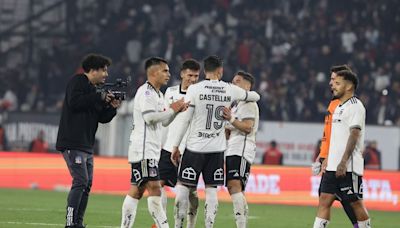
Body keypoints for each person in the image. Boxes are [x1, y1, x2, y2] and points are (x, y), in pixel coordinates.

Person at [170, 55, 260, 228]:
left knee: (183, 187)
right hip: (217, 149)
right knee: (211, 190)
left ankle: (178, 225)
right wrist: (247, 94)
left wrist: (176, 146)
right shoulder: (229, 90)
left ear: (204, 71)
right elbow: (256, 96)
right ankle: (209, 225)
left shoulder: (195, 89)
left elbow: (185, 120)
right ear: (221, 71)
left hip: (195, 147)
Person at [120, 57, 187, 228]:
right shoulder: (147, 92)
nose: (168, 74)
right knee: (155, 188)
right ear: (153, 72)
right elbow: (150, 118)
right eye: (165, 70)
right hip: (144, 149)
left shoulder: (158, 94)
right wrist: (173, 108)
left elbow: (163, 121)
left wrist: (176, 112)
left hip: (149, 149)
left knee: (137, 191)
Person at [56, 54, 121, 228]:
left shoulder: (94, 90)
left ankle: (78, 222)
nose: (106, 74)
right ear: (93, 70)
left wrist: (111, 108)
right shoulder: (77, 81)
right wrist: (99, 98)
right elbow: (75, 102)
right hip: (72, 142)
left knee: (87, 184)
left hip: (86, 145)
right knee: (81, 182)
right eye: (104, 70)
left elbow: (101, 118)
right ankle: (70, 223)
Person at [313, 70, 371, 228]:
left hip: (348, 166)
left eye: (338, 83)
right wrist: (325, 158)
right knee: (324, 199)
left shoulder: (356, 106)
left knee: (355, 203)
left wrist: (343, 162)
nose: (333, 86)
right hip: (332, 165)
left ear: (349, 86)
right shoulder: (338, 107)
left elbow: (354, 134)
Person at [158, 59, 200, 228]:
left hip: (190, 150)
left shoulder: (199, 95)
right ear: (182, 74)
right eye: (190, 75)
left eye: (196, 76)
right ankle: (162, 223)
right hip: (169, 147)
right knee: (158, 185)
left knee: (189, 192)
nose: (193, 79)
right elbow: (164, 118)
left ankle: (187, 223)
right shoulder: (170, 92)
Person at [223, 71, 259, 228]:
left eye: (237, 81)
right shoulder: (236, 104)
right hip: (233, 148)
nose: (233, 84)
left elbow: (247, 127)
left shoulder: (249, 103)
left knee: (234, 185)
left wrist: (230, 118)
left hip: (243, 148)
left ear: (247, 86)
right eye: (232, 81)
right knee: (235, 188)